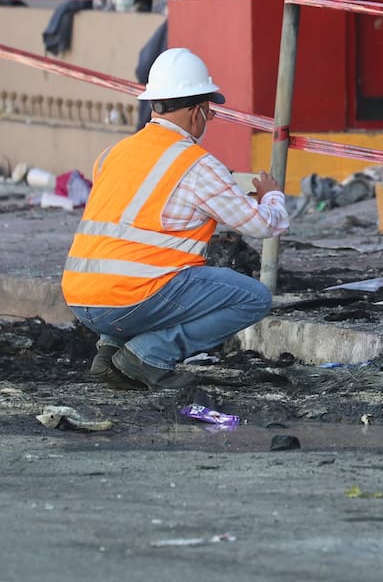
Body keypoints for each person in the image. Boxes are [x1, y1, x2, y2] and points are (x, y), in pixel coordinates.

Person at [62, 47, 289, 390]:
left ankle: (109, 352)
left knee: (136, 271)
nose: (207, 121)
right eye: (209, 114)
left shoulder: (114, 153)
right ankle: (148, 355)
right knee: (253, 298)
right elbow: (264, 225)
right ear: (197, 112)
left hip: (81, 297)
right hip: (129, 299)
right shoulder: (196, 164)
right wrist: (271, 194)